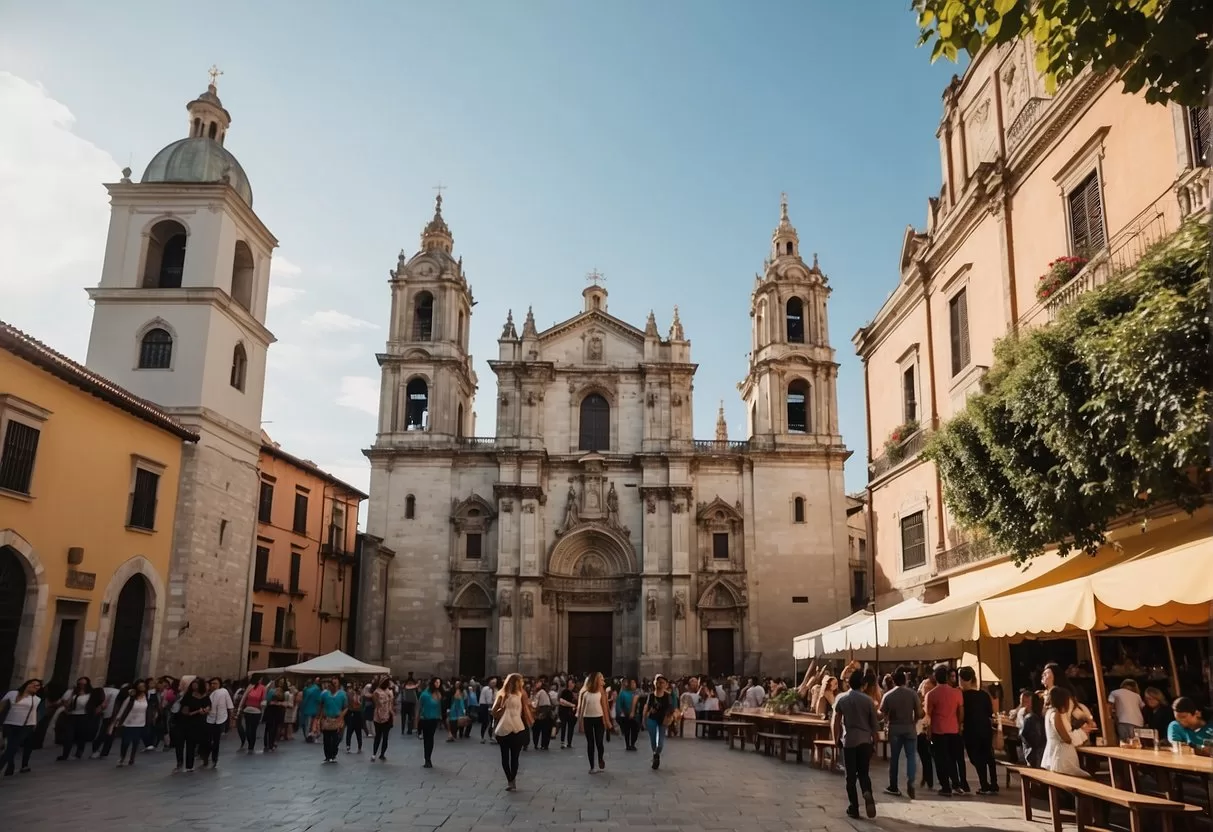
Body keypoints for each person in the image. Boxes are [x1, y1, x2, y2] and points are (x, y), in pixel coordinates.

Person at [832, 669, 880, 820]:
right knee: (864, 772)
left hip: (850, 740)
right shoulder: (868, 701)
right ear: (863, 684)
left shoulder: (842, 699)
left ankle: (854, 807)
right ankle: (867, 791)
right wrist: (875, 743)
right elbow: (874, 726)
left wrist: (836, 739)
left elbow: (836, 721)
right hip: (865, 740)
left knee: (850, 776)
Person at [924, 664, 967, 796]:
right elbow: (961, 712)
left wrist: (928, 732)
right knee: (953, 758)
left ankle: (945, 786)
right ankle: (956, 783)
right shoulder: (957, 693)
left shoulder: (931, 694)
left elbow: (928, 715)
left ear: (935, 678)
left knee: (940, 759)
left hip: (938, 731)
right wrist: (959, 725)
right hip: (953, 730)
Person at [879, 668, 923, 798]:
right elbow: (919, 713)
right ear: (905, 680)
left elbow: (882, 713)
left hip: (895, 729)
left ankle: (893, 785)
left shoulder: (888, 695)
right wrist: (914, 722)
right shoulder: (913, 694)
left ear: (893, 681)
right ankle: (911, 781)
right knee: (911, 756)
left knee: (895, 758)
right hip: (909, 728)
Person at [958, 666, 998, 795]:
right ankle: (994, 783)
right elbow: (990, 712)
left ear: (962, 680)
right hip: (985, 728)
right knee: (988, 756)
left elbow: (961, 714)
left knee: (976, 757)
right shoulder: (983, 694)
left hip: (971, 730)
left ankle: (984, 785)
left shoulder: (962, 696)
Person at [493, 673, 534, 791]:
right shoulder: (502, 695)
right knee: (506, 758)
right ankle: (510, 780)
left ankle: (512, 779)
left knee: (514, 758)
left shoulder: (521, 694)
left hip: (517, 727)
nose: (522, 683)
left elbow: (526, 708)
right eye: (520, 681)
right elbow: (494, 711)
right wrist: (503, 707)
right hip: (505, 727)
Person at [1041, 686, 1091, 776]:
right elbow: (1066, 738)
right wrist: (1082, 732)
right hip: (1062, 757)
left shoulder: (1050, 712)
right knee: (1086, 778)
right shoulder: (1055, 714)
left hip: (1056, 754)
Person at [1, 679, 42, 776]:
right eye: (33, 684)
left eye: (37, 686)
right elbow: (3, 705)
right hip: (10, 723)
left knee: (12, 747)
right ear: (27, 684)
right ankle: (10, 766)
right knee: (10, 747)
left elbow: (34, 712)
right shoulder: (13, 693)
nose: (35, 687)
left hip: (25, 725)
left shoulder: (36, 699)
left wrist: (34, 723)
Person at [577, 672, 613, 774]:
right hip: (588, 719)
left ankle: (600, 758)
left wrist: (607, 722)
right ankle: (592, 766)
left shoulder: (602, 693)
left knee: (599, 741)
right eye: (601, 679)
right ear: (596, 680)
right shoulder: (585, 693)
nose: (603, 681)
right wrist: (581, 723)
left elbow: (605, 708)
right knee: (590, 743)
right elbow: (582, 709)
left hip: (599, 719)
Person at [113, 680, 151, 768]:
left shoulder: (146, 697)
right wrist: (118, 719)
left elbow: (147, 709)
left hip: (140, 723)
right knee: (126, 741)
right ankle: (122, 757)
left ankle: (132, 757)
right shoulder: (131, 697)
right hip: (129, 722)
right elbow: (124, 707)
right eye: (140, 686)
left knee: (136, 741)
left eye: (143, 686)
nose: (142, 688)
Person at [177, 677, 210, 772]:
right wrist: (197, 711)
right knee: (190, 743)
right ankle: (189, 765)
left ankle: (204, 757)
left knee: (203, 742)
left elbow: (208, 706)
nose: (194, 685)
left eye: (197, 684)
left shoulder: (205, 696)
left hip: (202, 722)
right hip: (189, 722)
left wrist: (206, 710)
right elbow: (185, 712)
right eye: (193, 684)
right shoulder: (188, 696)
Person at [643, 674, 675, 770]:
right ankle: (655, 755)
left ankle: (656, 754)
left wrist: (669, 718)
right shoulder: (651, 695)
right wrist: (644, 718)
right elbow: (647, 707)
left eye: (662, 682)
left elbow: (670, 708)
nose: (659, 684)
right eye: (657, 682)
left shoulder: (667, 696)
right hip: (652, 719)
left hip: (663, 720)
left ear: (666, 685)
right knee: (653, 740)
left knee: (660, 742)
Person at [204, 676, 234, 769]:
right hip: (208, 718)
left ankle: (214, 758)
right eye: (212, 683)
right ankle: (205, 756)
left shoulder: (224, 692)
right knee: (207, 740)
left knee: (216, 740)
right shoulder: (208, 693)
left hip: (220, 718)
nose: (213, 685)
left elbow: (229, 705)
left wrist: (232, 718)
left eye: (215, 683)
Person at [318, 677, 348, 763]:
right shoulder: (324, 694)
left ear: (338, 684)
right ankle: (327, 756)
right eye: (332, 684)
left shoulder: (342, 694)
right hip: (327, 719)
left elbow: (346, 707)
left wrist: (341, 716)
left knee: (336, 738)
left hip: (337, 719)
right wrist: (319, 717)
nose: (333, 685)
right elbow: (320, 705)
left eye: (335, 683)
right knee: (326, 738)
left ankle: (333, 754)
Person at [418, 677, 444, 768]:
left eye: (439, 682)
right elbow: (419, 707)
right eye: (436, 682)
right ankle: (427, 759)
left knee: (430, 738)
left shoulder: (438, 694)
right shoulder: (425, 694)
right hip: (426, 719)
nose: (438, 684)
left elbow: (440, 706)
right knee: (427, 739)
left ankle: (428, 758)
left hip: (434, 718)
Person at [1019, 691, 1046, 768]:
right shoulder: (1042, 718)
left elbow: (1023, 734)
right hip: (1040, 751)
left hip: (1032, 751)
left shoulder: (1029, 718)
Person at [371, 677, 396, 761]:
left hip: (388, 715)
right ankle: (374, 753)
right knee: (378, 736)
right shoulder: (376, 692)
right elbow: (376, 704)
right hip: (378, 716)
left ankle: (382, 753)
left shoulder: (389, 691)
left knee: (385, 736)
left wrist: (392, 713)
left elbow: (391, 703)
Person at [530, 678, 553, 751]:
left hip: (542, 712)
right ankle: (542, 744)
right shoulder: (537, 692)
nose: (537, 684)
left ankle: (541, 744)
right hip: (541, 712)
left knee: (540, 729)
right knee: (542, 730)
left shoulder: (541, 692)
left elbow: (535, 704)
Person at [617, 678, 639, 751]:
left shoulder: (636, 693)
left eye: (634, 683)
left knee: (635, 730)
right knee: (627, 731)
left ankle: (633, 743)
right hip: (626, 715)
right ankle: (628, 745)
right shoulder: (623, 693)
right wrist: (621, 712)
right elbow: (619, 703)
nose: (633, 685)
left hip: (636, 715)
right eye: (632, 683)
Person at [558, 678, 578, 749]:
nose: (571, 684)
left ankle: (569, 742)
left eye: (572, 683)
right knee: (563, 727)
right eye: (570, 682)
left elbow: (577, 703)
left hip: (572, 713)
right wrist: (571, 705)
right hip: (564, 712)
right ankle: (562, 742)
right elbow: (561, 701)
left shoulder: (575, 692)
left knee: (571, 728)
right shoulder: (565, 691)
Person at [300, 678, 322, 743]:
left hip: (306, 709)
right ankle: (312, 735)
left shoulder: (305, 689)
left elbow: (304, 699)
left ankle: (308, 736)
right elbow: (319, 700)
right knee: (313, 723)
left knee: (307, 724)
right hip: (314, 709)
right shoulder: (317, 689)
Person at [345, 682, 365, 753]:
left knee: (357, 732)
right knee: (350, 731)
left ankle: (358, 746)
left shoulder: (360, 694)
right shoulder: (350, 694)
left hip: (357, 714)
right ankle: (348, 746)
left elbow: (362, 705)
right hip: (352, 713)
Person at [478, 677, 496, 744]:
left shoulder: (488, 689)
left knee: (489, 722)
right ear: (489, 683)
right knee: (486, 722)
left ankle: (489, 736)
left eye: (494, 683)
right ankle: (484, 737)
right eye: (492, 683)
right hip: (485, 706)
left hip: (486, 706)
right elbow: (489, 701)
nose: (493, 684)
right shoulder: (488, 689)